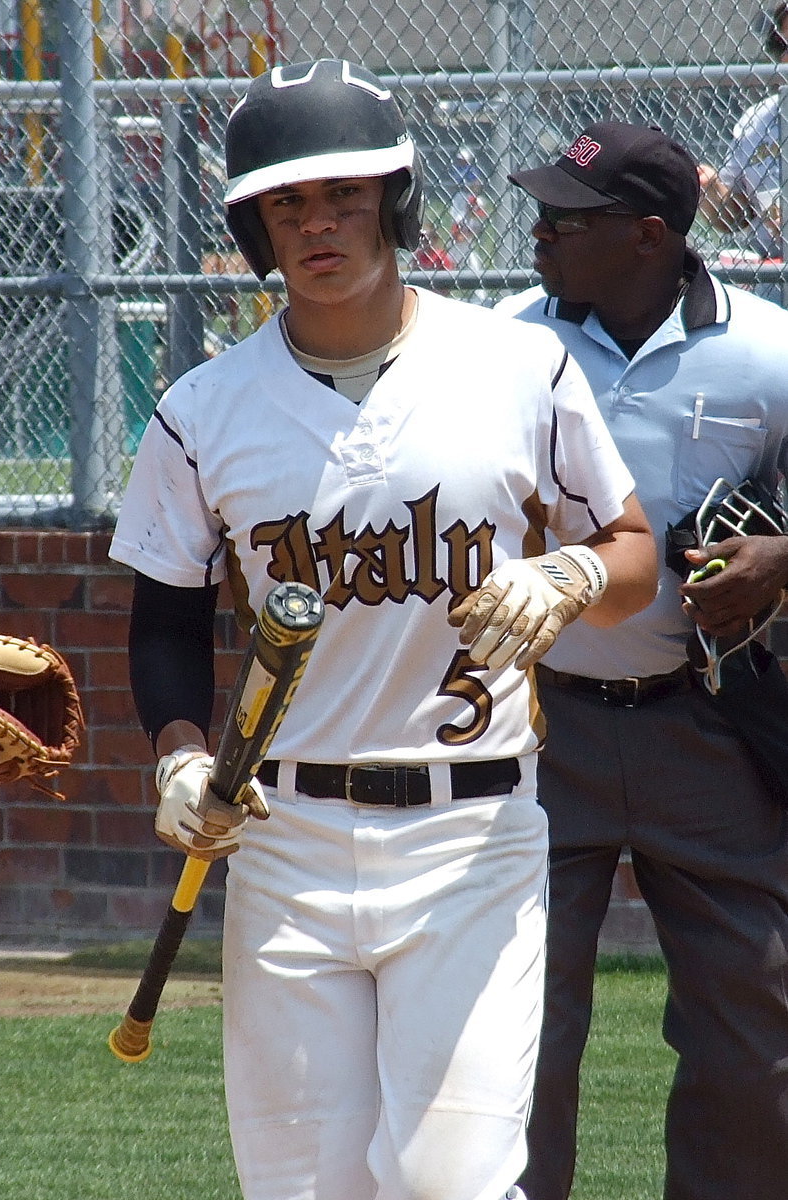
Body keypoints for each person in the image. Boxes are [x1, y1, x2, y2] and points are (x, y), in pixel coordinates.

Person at [109, 62, 657, 1200]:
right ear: (255, 228)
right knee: (305, 1187)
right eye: (286, 206)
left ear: (393, 202)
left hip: (471, 832)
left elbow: (634, 558)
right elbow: (164, 614)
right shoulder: (204, 410)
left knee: (444, 1182)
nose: (316, 225)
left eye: (343, 196)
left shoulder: (516, 365)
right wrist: (174, 752)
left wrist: (565, 572)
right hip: (284, 836)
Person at [497, 120, 788, 1200]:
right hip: (536, 726)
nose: (536, 233)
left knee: (750, 1041)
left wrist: (781, 555)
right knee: (513, 1032)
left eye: (566, 220)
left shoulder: (767, 350)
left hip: (706, 721)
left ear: (648, 236)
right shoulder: (503, 342)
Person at [697, 4, 788, 299]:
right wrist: (711, 189)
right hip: (775, 279)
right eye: (783, 45)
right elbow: (733, 218)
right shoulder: (758, 120)